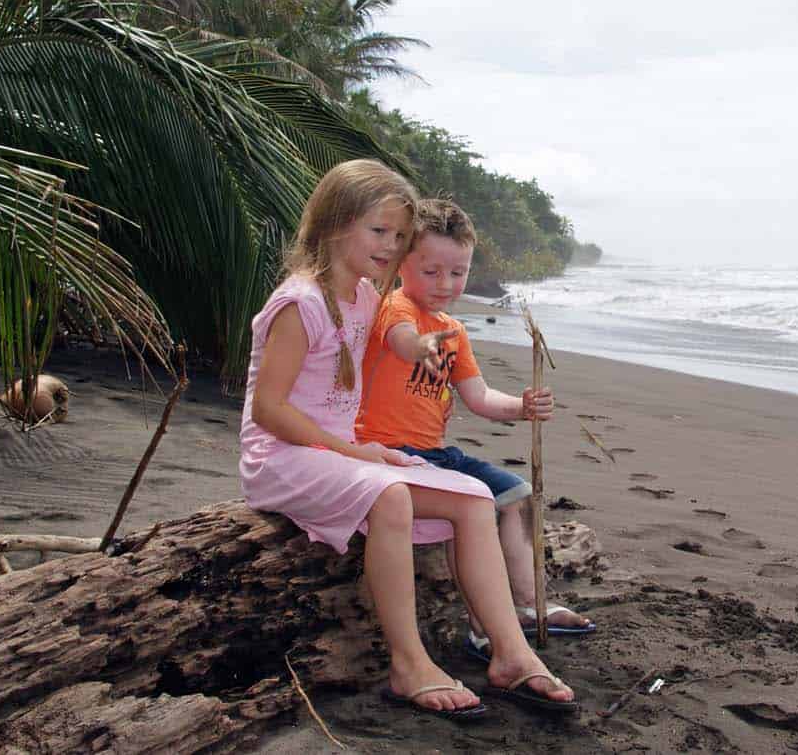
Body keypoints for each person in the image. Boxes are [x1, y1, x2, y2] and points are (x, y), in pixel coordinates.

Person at [241, 161, 576, 718]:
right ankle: (408, 662)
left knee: (473, 499)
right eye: (379, 231)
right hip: (282, 459)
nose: (390, 244)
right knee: (392, 494)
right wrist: (358, 452)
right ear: (333, 223)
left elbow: (402, 336)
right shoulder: (301, 302)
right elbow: (268, 411)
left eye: (398, 235)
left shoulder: (364, 298)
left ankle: (510, 654)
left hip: (337, 457)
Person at [356, 198, 595, 658]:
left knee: (518, 495)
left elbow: (480, 397)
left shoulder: (454, 329)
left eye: (458, 272)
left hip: (438, 452)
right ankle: (484, 626)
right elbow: (401, 341)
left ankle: (526, 604)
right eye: (432, 271)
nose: (446, 284)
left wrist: (523, 406)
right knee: (472, 506)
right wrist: (419, 345)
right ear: (403, 262)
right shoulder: (395, 306)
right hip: (390, 451)